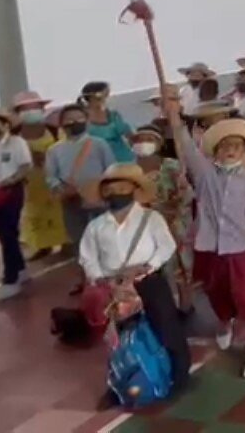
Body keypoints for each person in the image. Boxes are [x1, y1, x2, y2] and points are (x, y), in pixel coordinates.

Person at [168, 105, 245, 377]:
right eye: (225, 146)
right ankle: (224, 322)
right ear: (215, 151)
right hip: (209, 245)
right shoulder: (205, 175)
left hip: (239, 247)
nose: (230, 150)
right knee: (216, 290)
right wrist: (175, 118)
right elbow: (187, 148)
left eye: (237, 146)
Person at [79, 164, 191, 399]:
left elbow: (166, 246)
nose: (116, 192)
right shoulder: (96, 226)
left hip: (149, 282)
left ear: (134, 189)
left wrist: (147, 267)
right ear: (103, 193)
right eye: (110, 189)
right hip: (114, 287)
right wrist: (105, 280)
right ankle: (119, 385)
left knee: (166, 327)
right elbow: (87, 257)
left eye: (122, 187)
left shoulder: (151, 218)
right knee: (118, 340)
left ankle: (180, 375)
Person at [47, 103, 118, 294]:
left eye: (79, 118)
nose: (74, 122)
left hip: (100, 201)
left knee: (105, 240)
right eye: (69, 120)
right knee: (79, 242)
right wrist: (61, 189)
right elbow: (51, 177)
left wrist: (105, 192)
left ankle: (110, 279)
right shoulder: (54, 150)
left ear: (86, 121)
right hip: (71, 202)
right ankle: (86, 280)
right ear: (62, 124)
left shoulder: (99, 144)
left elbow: (112, 170)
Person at [129, 126, 195, 314]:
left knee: (181, 266)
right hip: (146, 226)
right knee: (155, 267)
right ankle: (163, 306)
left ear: (159, 143)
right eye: (139, 139)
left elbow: (186, 194)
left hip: (175, 223)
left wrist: (173, 214)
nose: (143, 143)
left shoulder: (171, 166)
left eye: (149, 139)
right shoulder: (131, 171)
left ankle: (186, 303)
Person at [12, 91, 66, 261]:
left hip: (55, 180)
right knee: (34, 215)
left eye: (34, 107)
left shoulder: (54, 131)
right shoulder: (13, 136)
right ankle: (43, 246)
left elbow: (66, 150)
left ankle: (67, 244)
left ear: (42, 109)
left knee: (61, 213)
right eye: (25, 109)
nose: (31, 111)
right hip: (29, 185)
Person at [0, 107, 31, 296]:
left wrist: (6, 183)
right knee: (2, 232)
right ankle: (20, 269)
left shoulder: (16, 142)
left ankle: (11, 278)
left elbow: (25, 166)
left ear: (5, 124)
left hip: (11, 190)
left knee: (8, 232)